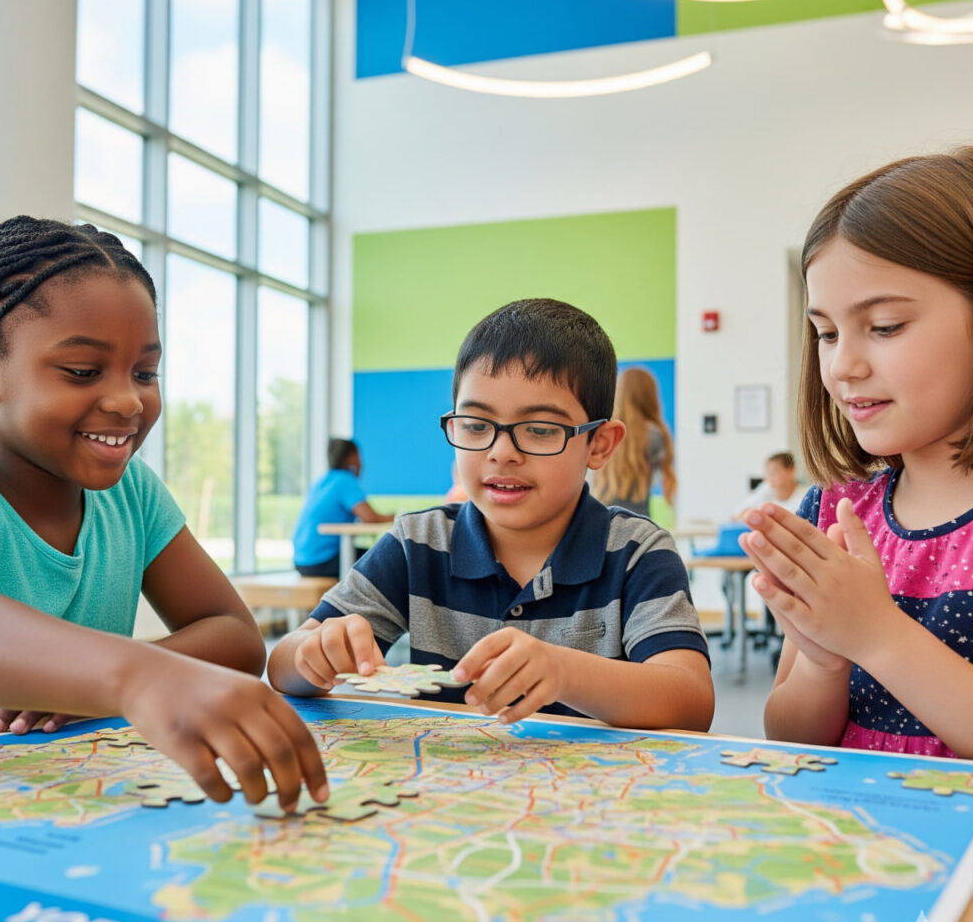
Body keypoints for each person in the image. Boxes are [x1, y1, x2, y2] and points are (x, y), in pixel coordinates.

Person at [0, 215, 327, 809]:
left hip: (65, 806)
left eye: (146, 372)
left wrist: (96, 685)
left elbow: (236, 636)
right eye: (82, 371)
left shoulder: (132, 495)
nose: (128, 400)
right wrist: (130, 678)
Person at [268, 298, 714, 730]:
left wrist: (565, 671)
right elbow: (283, 664)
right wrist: (314, 653)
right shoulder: (419, 542)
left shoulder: (637, 552)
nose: (502, 453)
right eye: (477, 426)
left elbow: (691, 700)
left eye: (540, 430)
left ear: (599, 444)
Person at [740, 146, 973, 759]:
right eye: (826, 333)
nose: (843, 364)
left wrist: (876, 636)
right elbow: (790, 737)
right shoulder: (839, 510)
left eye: (886, 326)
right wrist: (822, 663)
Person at [291, 438, 394, 577]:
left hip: (301, 561)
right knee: (389, 559)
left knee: (371, 555)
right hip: (322, 561)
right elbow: (369, 518)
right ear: (351, 458)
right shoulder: (345, 480)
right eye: (358, 456)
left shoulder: (322, 482)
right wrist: (398, 516)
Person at [590, 366, 676, 518]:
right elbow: (667, 480)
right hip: (639, 520)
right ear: (649, 396)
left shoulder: (604, 432)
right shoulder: (656, 435)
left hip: (602, 514)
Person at [731, 451, 807, 519]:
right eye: (768, 473)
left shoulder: (805, 496)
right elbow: (736, 515)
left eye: (774, 472)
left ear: (791, 471)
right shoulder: (766, 490)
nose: (770, 478)